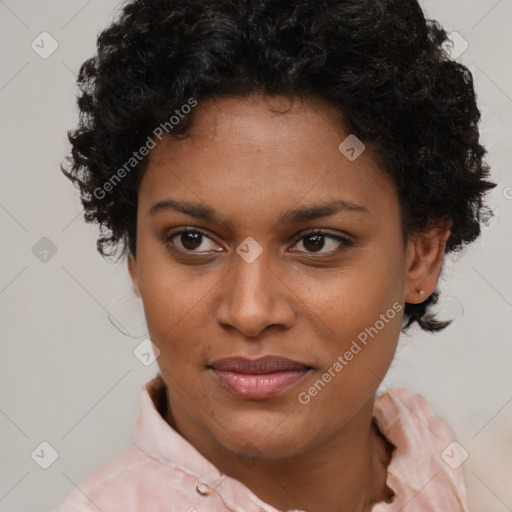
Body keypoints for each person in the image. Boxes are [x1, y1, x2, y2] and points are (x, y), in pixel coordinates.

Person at [56, 0, 496, 510]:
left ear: (420, 257)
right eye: (192, 240)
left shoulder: (474, 479)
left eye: (316, 242)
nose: (249, 311)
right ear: (134, 256)